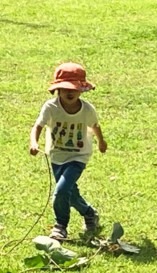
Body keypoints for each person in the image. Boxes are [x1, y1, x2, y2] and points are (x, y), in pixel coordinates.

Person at [30, 62, 107, 241]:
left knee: (62, 190)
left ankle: (60, 226)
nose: (69, 92)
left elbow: (95, 125)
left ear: (81, 90)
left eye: (73, 89)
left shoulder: (87, 109)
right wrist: (34, 142)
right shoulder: (50, 107)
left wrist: (101, 142)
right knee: (70, 192)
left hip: (78, 156)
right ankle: (89, 213)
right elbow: (38, 126)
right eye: (65, 89)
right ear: (57, 90)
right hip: (56, 156)